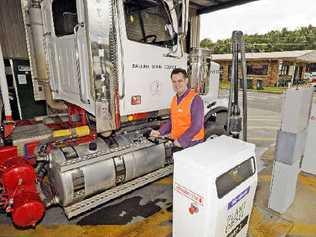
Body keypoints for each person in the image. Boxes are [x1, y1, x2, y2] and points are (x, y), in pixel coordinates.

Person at [150, 68, 204, 149]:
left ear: (186, 81)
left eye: (180, 81)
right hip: (177, 141)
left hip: (192, 143)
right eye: (174, 82)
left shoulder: (195, 99)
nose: (177, 84)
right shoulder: (174, 99)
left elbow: (197, 125)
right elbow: (172, 121)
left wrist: (182, 140)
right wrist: (159, 132)